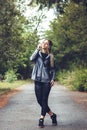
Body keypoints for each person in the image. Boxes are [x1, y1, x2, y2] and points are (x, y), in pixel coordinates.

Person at [30, 39, 57, 128]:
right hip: (37, 80)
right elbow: (31, 59)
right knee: (39, 100)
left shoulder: (51, 56)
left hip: (46, 81)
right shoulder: (37, 53)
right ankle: (52, 115)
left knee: (44, 100)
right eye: (43, 42)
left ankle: (41, 119)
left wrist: (52, 79)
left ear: (49, 46)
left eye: (46, 43)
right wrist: (37, 49)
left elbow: (53, 69)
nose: (44, 44)